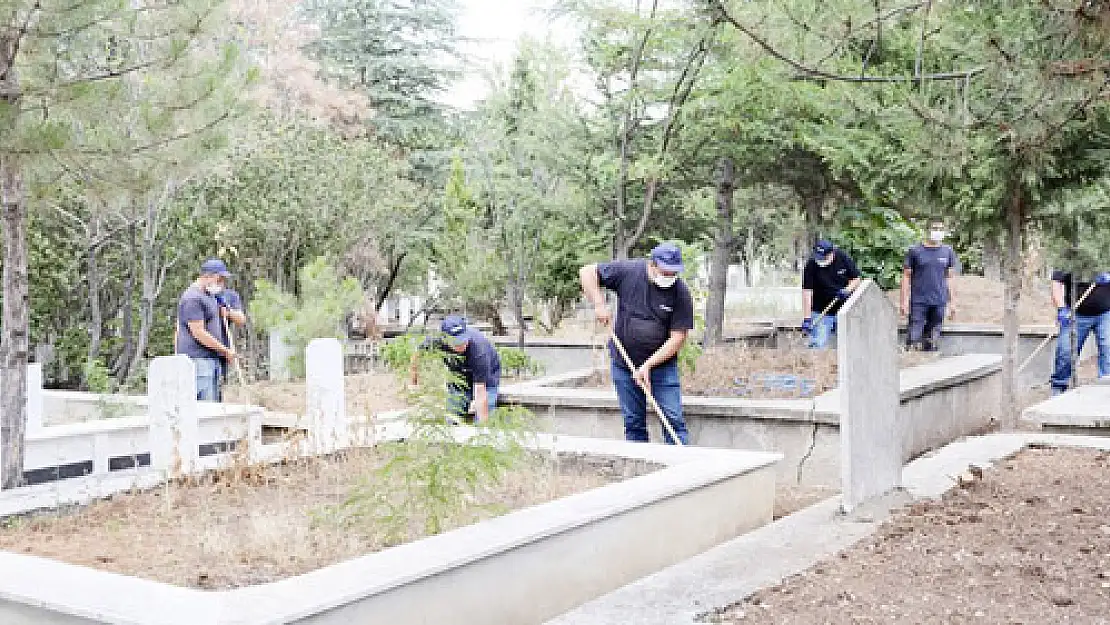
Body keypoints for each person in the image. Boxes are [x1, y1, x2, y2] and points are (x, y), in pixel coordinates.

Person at [578, 242, 693, 445]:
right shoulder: (629, 271)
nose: (669, 278)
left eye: (673, 273)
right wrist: (599, 304)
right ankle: (640, 467)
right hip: (625, 364)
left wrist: (648, 366)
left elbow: (678, 338)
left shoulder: (680, 293)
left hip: (661, 368)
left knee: (673, 421)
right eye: (665, 273)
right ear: (652, 265)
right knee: (633, 423)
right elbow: (587, 272)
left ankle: (680, 466)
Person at [411, 315, 501, 423]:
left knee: (484, 415)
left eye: (463, 340)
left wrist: (483, 431)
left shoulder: (479, 349)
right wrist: (414, 382)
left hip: (487, 377)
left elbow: (480, 391)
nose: (462, 344)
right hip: (459, 377)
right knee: (452, 418)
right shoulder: (435, 340)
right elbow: (417, 354)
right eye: (457, 342)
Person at [175, 259, 243, 401]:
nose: (222, 283)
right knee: (204, 408)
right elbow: (198, 332)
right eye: (219, 279)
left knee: (214, 406)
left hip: (211, 360)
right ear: (207, 276)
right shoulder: (192, 298)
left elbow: (240, 319)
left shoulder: (210, 296)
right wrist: (225, 350)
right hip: (198, 360)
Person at [900, 220, 960, 351]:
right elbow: (906, 276)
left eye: (940, 229)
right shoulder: (915, 251)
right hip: (919, 302)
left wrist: (953, 303)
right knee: (914, 339)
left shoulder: (947, 252)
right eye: (935, 228)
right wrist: (903, 302)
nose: (937, 232)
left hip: (939, 302)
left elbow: (950, 277)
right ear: (927, 230)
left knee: (932, 341)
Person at [1049, 269, 1110, 395]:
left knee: (1108, 349)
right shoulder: (1070, 253)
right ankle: (1058, 388)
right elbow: (1056, 284)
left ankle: (1105, 390)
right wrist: (1061, 309)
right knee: (1065, 352)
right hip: (1075, 314)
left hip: (1106, 312)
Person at [801, 239, 861, 349]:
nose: (820, 260)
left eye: (824, 257)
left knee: (849, 346)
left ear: (832, 253)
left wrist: (846, 290)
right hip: (821, 312)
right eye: (818, 257)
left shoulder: (842, 258)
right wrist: (807, 318)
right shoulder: (811, 265)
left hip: (844, 310)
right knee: (818, 344)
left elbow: (856, 279)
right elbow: (807, 292)